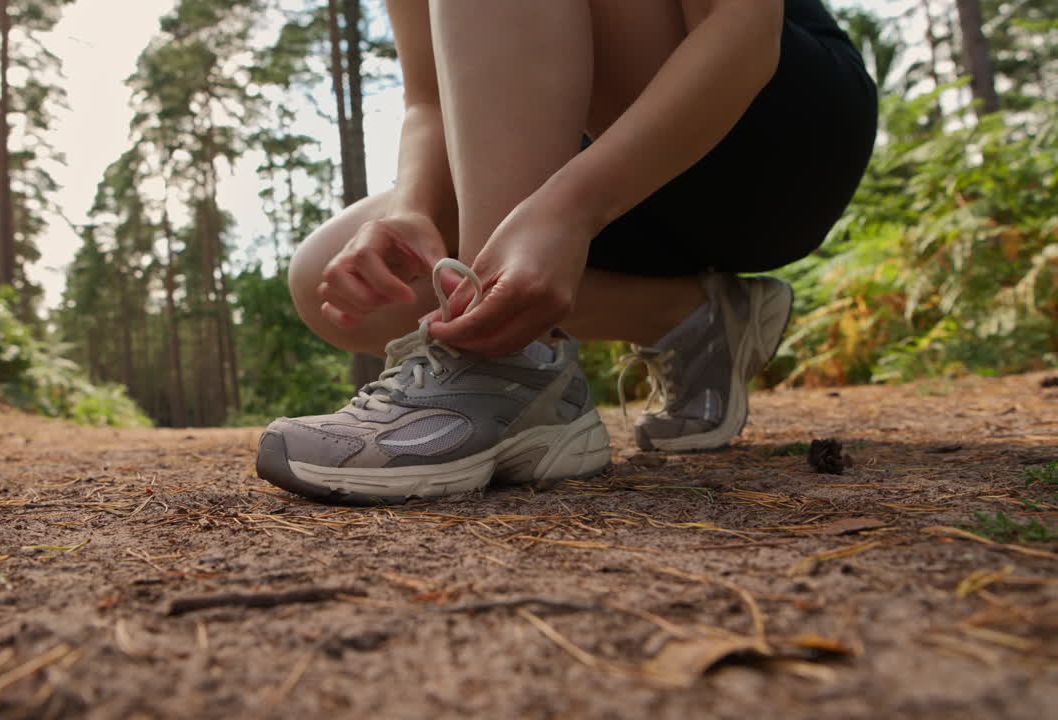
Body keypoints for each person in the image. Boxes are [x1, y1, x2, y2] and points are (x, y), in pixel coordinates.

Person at [255, 0, 878, 505]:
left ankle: (503, 362)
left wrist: (571, 209)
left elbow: (742, 29)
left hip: (769, 133)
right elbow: (431, 100)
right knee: (329, 275)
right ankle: (692, 318)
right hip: (598, 165)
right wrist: (410, 210)